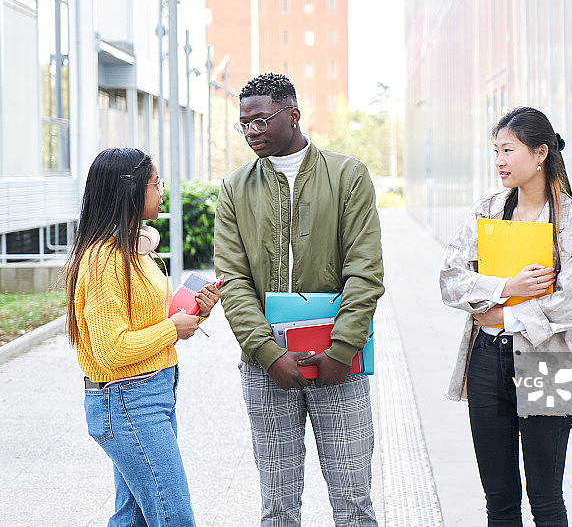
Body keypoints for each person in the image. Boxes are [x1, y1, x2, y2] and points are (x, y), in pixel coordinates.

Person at [214, 73, 384, 526]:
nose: (251, 131)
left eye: (260, 120)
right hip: (266, 367)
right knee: (278, 508)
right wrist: (268, 354)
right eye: (243, 123)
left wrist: (342, 350)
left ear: (293, 115)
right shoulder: (235, 187)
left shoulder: (347, 175)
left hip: (340, 364)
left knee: (354, 504)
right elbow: (233, 281)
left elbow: (365, 271)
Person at [439, 107, 572, 526]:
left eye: (508, 150)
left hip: (549, 362)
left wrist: (502, 315)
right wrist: (508, 287)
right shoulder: (487, 212)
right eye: (496, 151)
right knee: (499, 499)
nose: (499, 161)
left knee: (545, 499)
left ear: (540, 153)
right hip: (486, 360)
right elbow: (451, 279)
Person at [64, 147, 222, 527]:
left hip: (150, 395)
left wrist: (194, 312)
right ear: (131, 189)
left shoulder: (135, 251)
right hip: (129, 402)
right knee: (174, 517)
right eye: (156, 183)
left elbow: (146, 321)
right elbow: (111, 349)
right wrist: (172, 329)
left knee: (132, 518)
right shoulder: (104, 262)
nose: (162, 190)